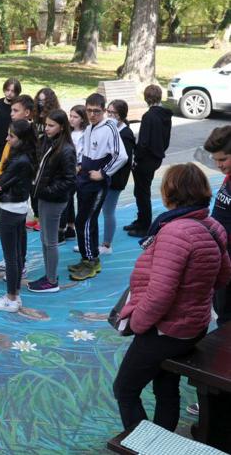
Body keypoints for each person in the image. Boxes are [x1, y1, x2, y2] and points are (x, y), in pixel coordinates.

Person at [113, 162, 231, 431]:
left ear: (170, 192)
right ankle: (163, 436)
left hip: (166, 329)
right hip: (195, 324)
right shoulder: (212, 226)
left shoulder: (174, 232)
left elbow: (160, 294)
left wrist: (137, 323)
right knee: (166, 384)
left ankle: (141, 443)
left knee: (125, 388)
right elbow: (223, 276)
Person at [68, 93, 127, 281]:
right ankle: (88, 257)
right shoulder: (89, 128)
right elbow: (85, 150)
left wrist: (103, 173)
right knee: (86, 221)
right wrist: (80, 165)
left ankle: (91, 261)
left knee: (84, 222)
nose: (92, 114)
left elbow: (121, 155)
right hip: (84, 181)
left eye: (97, 111)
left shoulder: (109, 128)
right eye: (89, 110)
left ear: (103, 111)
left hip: (97, 185)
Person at [0, 119, 37, 313]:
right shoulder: (26, 156)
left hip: (11, 209)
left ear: (22, 139)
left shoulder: (19, 160)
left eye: (11, 136)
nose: (7, 139)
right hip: (19, 207)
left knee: (11, 256)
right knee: (16, 254)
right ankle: (14, 294)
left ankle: (11, 298)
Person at [27, 109, 76, 293]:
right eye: (46, 124)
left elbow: (69, 180)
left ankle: (51, 280)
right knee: (44, 239)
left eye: (51, 125)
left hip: (53, 200)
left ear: (61, 127)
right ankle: (49, 275)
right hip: (44, 197)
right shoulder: (49, 142)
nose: (46, 128)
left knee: (50, 241)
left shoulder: (66, 149)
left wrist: (46, 191)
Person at [125, 84, 173, 238]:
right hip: (156, 158)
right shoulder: (165, 115)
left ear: (146, 98)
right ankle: (141, 220)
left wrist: (136, 158)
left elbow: (143, 142)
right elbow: (166, 139)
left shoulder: (149, 116)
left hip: (145, 160)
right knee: (141, 191)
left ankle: (144, 225)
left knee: (142, 193)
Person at [99, 99, 136, 254]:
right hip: (107, 176)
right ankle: (99, 242)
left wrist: (105, 172)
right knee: (103, 209)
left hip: (115, 179)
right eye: (108, 111)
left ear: (120, 115)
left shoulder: (125, 134)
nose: (109, 115)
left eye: (112, 112)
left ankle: (107, 245)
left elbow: (123, 160)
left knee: (108, 211)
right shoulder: (111, 129)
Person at [203, 125, 231, 326]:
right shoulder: (229, 177)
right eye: (215, 160)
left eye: (223, 159)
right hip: (222, 254)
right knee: (221, 307)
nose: (218, 165)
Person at [26, 88, 61, 231]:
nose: (41, 103)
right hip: (34, 154)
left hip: (46, 154)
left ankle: (42, 217)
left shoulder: (54, 116)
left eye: (44, 101)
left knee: (42, 186)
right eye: (39, 100)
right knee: (32, 187)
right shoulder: (35, 115)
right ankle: (36, 216)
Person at [0, 78, 21, 219]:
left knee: (8, 174)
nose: (9, 93)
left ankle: (6, 204)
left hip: (10, 145)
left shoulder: (17, 107)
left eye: (13, 91)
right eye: (7, 90)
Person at [62, 104, 88, 241]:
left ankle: (79, 230)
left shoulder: (86, 133)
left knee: (81, 201)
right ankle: (69, 226)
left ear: (83, 118)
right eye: (70, 116)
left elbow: (85, 152)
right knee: (68, 199)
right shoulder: (69, 133)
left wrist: (79, 166)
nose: (71, 119)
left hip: (80, 170)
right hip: (69, 169)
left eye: (75, 117)